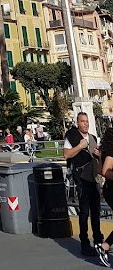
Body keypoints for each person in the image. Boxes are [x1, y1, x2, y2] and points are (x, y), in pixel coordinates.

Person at [64, 112, 105, 261]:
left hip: (94, 178)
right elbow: (66, 155)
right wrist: (80, 146)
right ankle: (84, 243)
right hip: (81, 178)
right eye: (83, 121)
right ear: (77, 122)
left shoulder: (93, 138)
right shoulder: (72, 136)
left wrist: (99, 154)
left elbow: (100, 157)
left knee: (96, 211)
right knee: (84, 212)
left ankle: (98, 240)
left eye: (87, 121)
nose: (86, 124)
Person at [97, 126, 113, 265]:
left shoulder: (105, 151)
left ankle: (105, 246)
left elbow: (99, 170)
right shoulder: (111, 152)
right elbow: (106, 171)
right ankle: (105, 246)